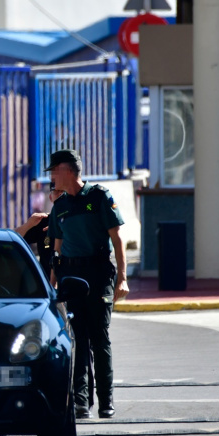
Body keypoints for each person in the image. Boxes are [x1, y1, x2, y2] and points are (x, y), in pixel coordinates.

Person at [45, 149, 128, 420]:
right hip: (71, 276)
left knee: (99, 337)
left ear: (68, 170)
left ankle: (106, 401)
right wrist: (51, 288)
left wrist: (122, 279)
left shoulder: (99, 196)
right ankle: (81, 401)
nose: (51, 177)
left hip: (99, 273)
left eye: (54, 171)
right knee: (78, 338)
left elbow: (117, 240)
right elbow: (56, 251)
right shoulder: (60, 206)